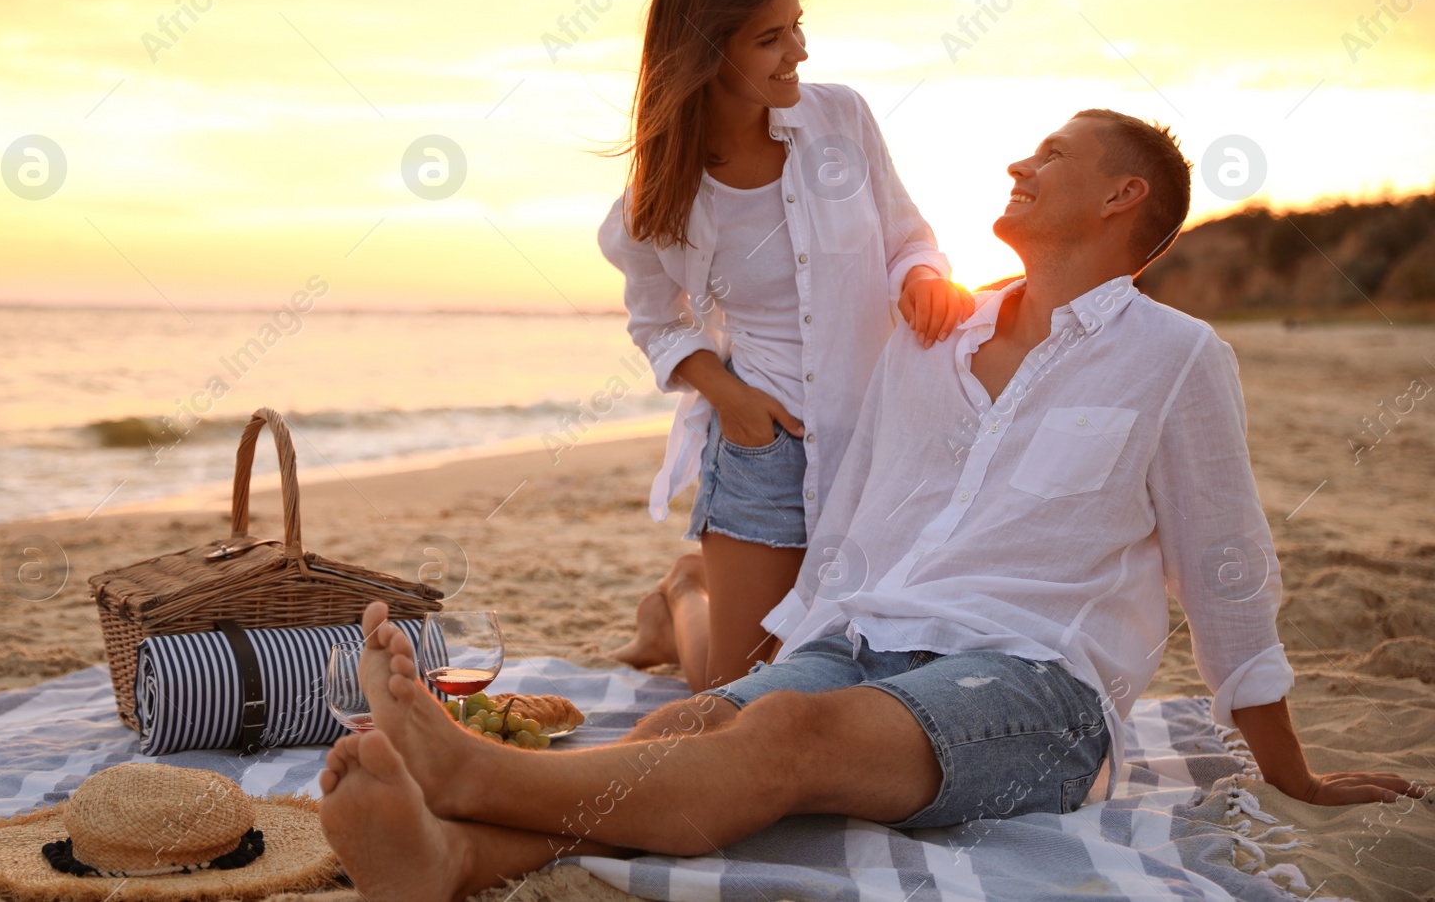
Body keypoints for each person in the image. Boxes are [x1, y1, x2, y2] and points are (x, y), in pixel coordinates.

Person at [317, 110, 1423, 902]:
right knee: (691, 723)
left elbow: (1226, 564)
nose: (1017, 161)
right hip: (871, 637)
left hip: (1034, 681)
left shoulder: (1177, 358)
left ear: (1122, 195)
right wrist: (799, 636)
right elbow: (863, 515)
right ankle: (457, 858)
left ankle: (465, 771)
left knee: (782, 731)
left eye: (1050, 153)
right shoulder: (934, 335)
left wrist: (1289, 767)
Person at [599, 0, 972, 692]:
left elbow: (909, 238)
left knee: (848, 674)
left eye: (797, 25)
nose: (798, 50)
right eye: (772, 37)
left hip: (882, 444)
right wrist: (731, 399)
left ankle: (691, 586)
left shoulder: (843, 121)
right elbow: (657, 320)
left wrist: (924, 277)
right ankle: (682, 597)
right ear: (708, 51)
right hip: (764, 447)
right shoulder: (661, 197)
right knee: (733, 693)